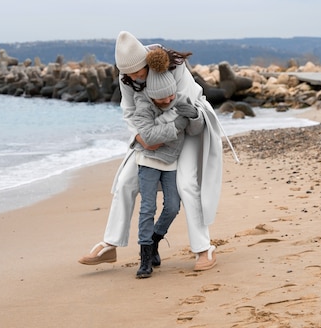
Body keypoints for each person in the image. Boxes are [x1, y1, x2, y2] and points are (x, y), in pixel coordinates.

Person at [78, 30, 223, 271]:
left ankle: (203, 248)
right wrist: (141, 138)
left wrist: (156, 135)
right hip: (149, 131)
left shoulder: (172, 68)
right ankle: (110, 245)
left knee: (187, 184)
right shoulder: (127, 78)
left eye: (138, 72)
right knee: (126, 181)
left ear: (147, 62)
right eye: (129, 74)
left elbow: (182, 107)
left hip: (187, 125)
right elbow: (128, 112)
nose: (135, 77)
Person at [131, 51, 205, 278]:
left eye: (170, 96)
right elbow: (149, 137)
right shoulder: (143, 105)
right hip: (148, 161)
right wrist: (177, 125)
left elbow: (195, 129)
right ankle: (145, 257)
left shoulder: (179, 100)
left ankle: (154, 240)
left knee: (173, 206)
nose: (167, 101)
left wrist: (192, 116)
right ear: (152, 96)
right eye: (161, 98)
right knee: (148, 207)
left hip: (171, 161)